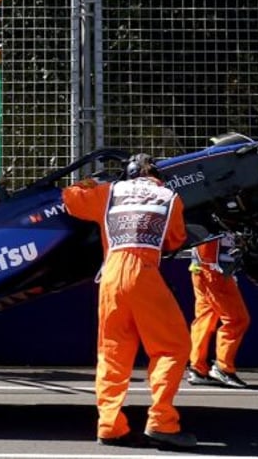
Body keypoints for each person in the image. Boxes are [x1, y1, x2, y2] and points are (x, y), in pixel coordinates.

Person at [62, 153, 196, 449]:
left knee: (112, 352)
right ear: (157, 176)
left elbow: (70, 197)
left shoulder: (110, 191)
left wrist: (91, 182)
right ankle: (162, 422)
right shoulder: (169, 196)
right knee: (173, 347)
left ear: (128, 175)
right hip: (144, 273)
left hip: (110, 276)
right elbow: (175, 240)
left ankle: (110, 425)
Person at [186, 232, 250, 389]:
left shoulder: (202, 212)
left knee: (205, 318)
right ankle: (223, 368)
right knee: (237, 319)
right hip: (214, 270)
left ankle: (198, 368)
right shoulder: (218, 212)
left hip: (201, 268)